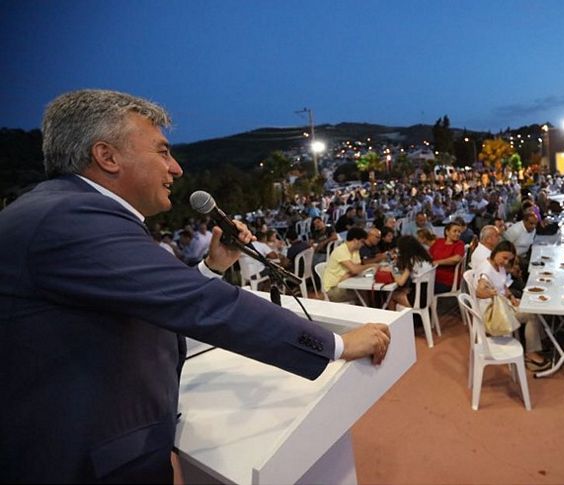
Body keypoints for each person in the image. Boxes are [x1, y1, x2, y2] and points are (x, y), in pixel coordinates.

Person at [0, 89, 390, 483]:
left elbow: (145, 303)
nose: (177, 168)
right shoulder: (70, 218)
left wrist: (212, 267)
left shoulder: (62, 210)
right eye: (163, 151)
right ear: (108, 156)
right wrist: (336, 345)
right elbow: (201, 304)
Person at [474, 241, 548, 370]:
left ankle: (537, 343)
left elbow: (503, 285)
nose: (506, 262)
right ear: (495, 252)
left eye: (509, 259)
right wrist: (491, 293)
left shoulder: (497, 265)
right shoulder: (485, 270)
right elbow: (479, 291)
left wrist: (511, 297)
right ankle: (531, 353)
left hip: (502, 305)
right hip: (491, 314)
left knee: (530, 307)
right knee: (531, 314)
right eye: (504, 258)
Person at [322, 227, 379, 302]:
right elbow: (355, 270)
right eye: (362, 242)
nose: (363, 244)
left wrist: (349, 274)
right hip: (333, 290)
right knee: (364, 292)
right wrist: (371, 265)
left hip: (344, 283)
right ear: (355, 240)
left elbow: (357, 269)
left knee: (368, 292)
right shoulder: (341, 251)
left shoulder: (355, 251)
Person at [384, 235, 434, 310]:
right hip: (427, 295)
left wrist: (393, 270)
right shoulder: (423, 258)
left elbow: (400, 282)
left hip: (418, 300)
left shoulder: (412, 261)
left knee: (391, 296)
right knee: (403, 290)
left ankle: (394, 320)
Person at [429, 221, 466, 294]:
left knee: (419, 288)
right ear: (447, 232)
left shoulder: (459, 244)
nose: (458, 234)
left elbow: (456, 258)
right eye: (455, 231)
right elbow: (429, 255)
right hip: (432, 276)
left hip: (446, 281)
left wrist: (436, 262)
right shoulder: (439, 241)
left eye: (459, 232)